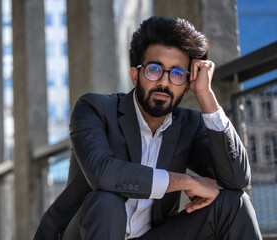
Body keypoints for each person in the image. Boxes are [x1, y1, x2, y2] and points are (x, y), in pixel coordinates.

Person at [34, 16, 262, 240]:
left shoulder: (189, 125)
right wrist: (187, 182)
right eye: (154, 69)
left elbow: (237, 180)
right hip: (86, 232)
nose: (164, 82)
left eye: (177, 74)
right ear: (135, 75)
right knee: (107, 201)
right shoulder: (95, 109)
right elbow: (103, 174)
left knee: (234, 203)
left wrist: (206, 96)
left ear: (186, 85)